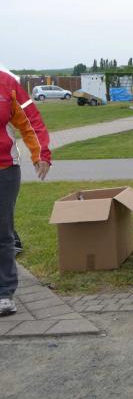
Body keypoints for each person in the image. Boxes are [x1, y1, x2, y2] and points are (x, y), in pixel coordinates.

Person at [1, 68, 51, 317]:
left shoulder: (7, 83)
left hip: (4, 170)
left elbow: (30, 121)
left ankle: (4, 293)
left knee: (2, 233)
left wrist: (40, 153)